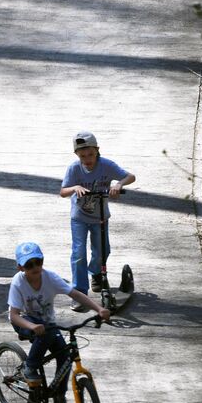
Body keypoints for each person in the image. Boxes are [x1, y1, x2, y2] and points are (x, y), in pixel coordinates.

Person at [7, 242, 110, 403]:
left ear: (42, 261)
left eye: (37, 262)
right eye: (29, 265)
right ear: (20, 267)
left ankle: (59, 395)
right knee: (45, 332)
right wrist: (32, 326)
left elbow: (75, 294)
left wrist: (98, 309)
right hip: (24, 321)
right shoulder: (18, 282)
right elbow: (14, 315)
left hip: (47, 324)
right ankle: (29, 367)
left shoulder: (50, 278)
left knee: (65, 356)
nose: (34, 267)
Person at [60, 131, 136, 312]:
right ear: (77, 155)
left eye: (91, 154)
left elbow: (130, 176)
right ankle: (80, 291)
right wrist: (74, 187)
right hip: (78, 218)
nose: (87, 159)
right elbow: (63, 192)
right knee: (78, 253)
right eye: (82, 155)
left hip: (100, 216)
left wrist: (118, 184)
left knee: (102, 250)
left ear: (97, 151)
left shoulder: (106, 166)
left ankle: (95, 273)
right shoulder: (74, 169)